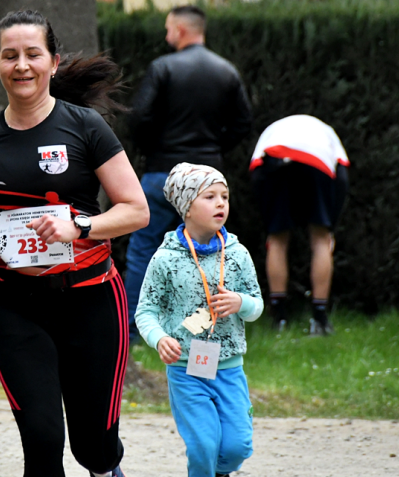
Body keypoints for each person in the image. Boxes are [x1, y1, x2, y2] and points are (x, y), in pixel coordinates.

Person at [0, 10, 149, 477]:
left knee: (95, 447)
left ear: (54, 62)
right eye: (10, 56)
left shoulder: (85, 126)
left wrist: (79, 227)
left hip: (91, 300)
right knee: (42, 441)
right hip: (16, 304)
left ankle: (106, 467)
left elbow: (135, 210)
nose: (22, 65)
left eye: (32, 54)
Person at [125, 5, 253, 343]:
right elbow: (243, 123)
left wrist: (153, 149)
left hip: (161, 173)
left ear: (181, 30)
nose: (166, 36)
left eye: (168, 29)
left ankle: (137, 329)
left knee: (143, 248)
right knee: (211, 253)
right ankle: (201, 328)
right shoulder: (226, 71)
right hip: (208, 180)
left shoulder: (163, 67)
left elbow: (138, 118)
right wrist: (212, 151)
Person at [135, 163, 262, 477]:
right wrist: (159, 338)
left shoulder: (238, 254)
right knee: (203, 447)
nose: (221, 203)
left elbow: (257, 305)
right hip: (186, 369)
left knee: (237, 448)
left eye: (225, 196)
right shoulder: (165, 258)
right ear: (186, 208)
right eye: (210, 196)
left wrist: (241, 302)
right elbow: (145, 312)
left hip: (230, 368)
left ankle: (219, 472)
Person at [250, 114, 350, 335]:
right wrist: (330, 225)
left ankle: (280, 319)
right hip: (319, 162)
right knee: (321, 239)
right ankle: (320, 319)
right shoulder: (328, 134)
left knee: (276, 238)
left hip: (272, 159)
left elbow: (257, 174)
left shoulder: (272, 131)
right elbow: (341, 175)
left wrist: (269, 221)